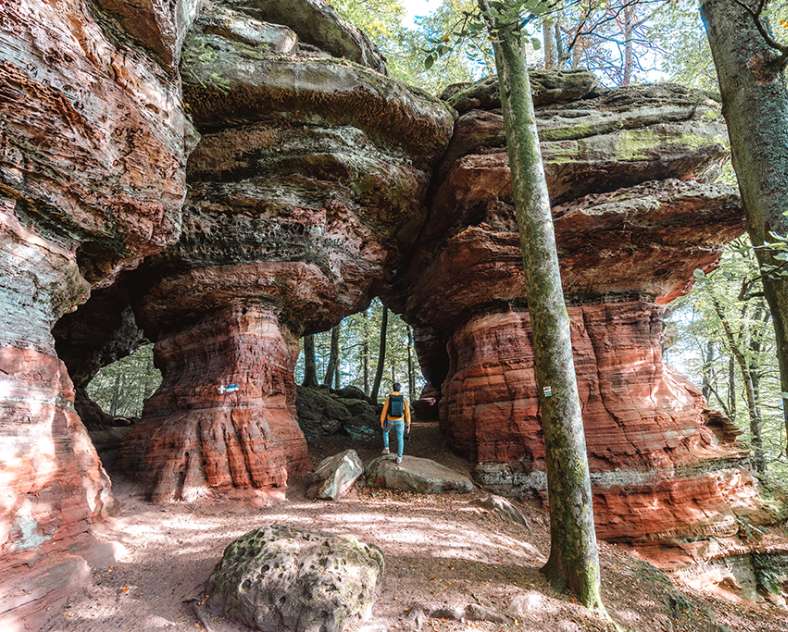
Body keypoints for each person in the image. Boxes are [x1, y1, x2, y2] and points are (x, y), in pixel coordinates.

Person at [379, 382, 411, 465]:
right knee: (400, 438)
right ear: (399, 389)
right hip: (400, 421)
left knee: (385, 432)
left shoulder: (389, 398)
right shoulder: (404, 399)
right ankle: (399, 457)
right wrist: (408, 424)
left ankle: (386, 448)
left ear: (393, 388)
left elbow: (384, 411)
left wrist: (382, 422)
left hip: (390, 420)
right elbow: (407, 412)